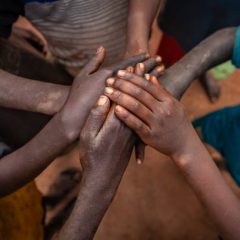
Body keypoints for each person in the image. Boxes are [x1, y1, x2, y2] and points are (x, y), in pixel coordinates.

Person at [103, 70, 240, 240]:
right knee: (205, 133)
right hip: (226, 124)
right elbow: (227, 43)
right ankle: (209, 149)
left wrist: (185, 146)